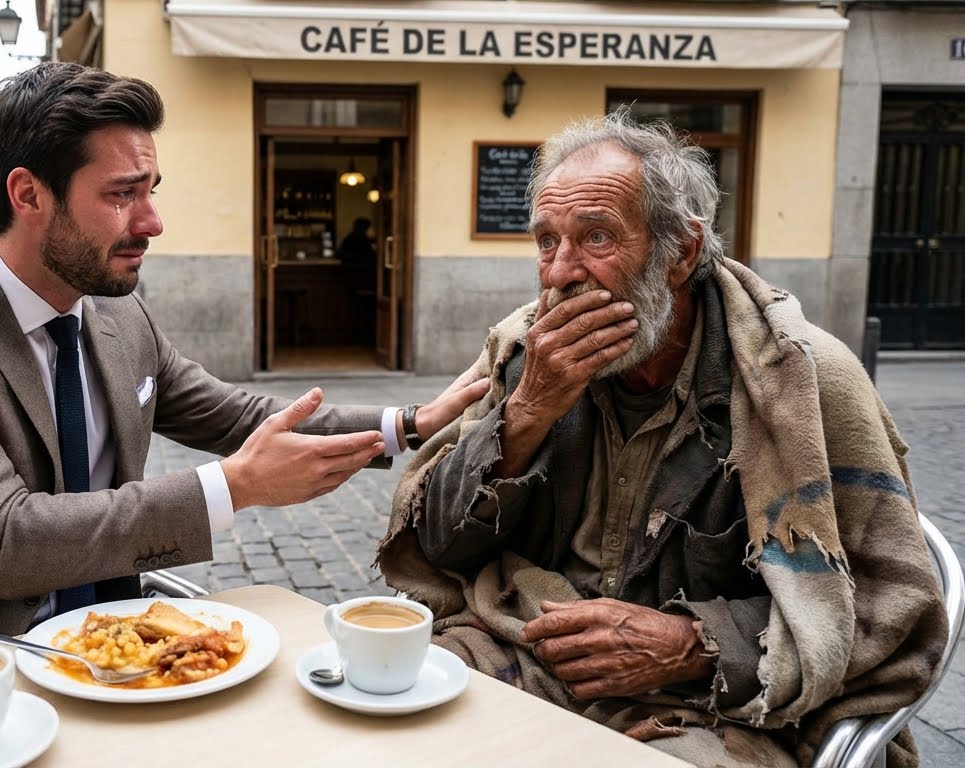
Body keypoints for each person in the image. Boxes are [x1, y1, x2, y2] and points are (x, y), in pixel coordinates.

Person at [0, 62, 489, 678]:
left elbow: (233, 415)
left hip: (109, 653)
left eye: (151, 190)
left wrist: (409, 423)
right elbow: (3, 539)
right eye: (123, 194)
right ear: (29, 195)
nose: (153, 222)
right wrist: (232, 488)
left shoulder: (116, 314)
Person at [376, 112, 947, 768]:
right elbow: (437, 546)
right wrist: (527, 412)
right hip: (528, 641)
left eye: (594, 238)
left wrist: (692, 643)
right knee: (388, 726)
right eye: (545, 241)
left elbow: (892, 610)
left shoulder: (799, 378)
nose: (560, 272)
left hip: (709, 698)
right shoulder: (521, 353)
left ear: (679, 252)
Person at [337, 217, 377, 344]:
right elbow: (371, 258)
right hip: (362, 280)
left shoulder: (351, 238)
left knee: (355, 309)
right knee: (368, 307)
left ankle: (357, 335)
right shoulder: (362, 240)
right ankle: (367, 336)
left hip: (350, 280)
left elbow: (340, 254)